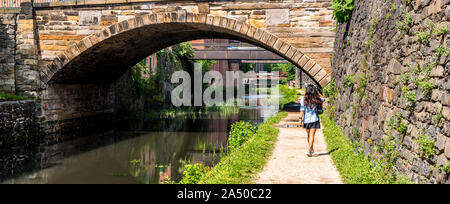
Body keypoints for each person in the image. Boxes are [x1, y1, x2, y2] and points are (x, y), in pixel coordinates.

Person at [299, 84, 325, 157]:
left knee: (309, 135)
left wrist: (300, 120)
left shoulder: (303, 100)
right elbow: (323, 98)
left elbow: (302, 110)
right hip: (314, 119)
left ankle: (310, 149)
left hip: (306, 120)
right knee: (311, 135)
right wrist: (318, 92)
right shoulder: (316, 99)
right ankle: (310, 148)